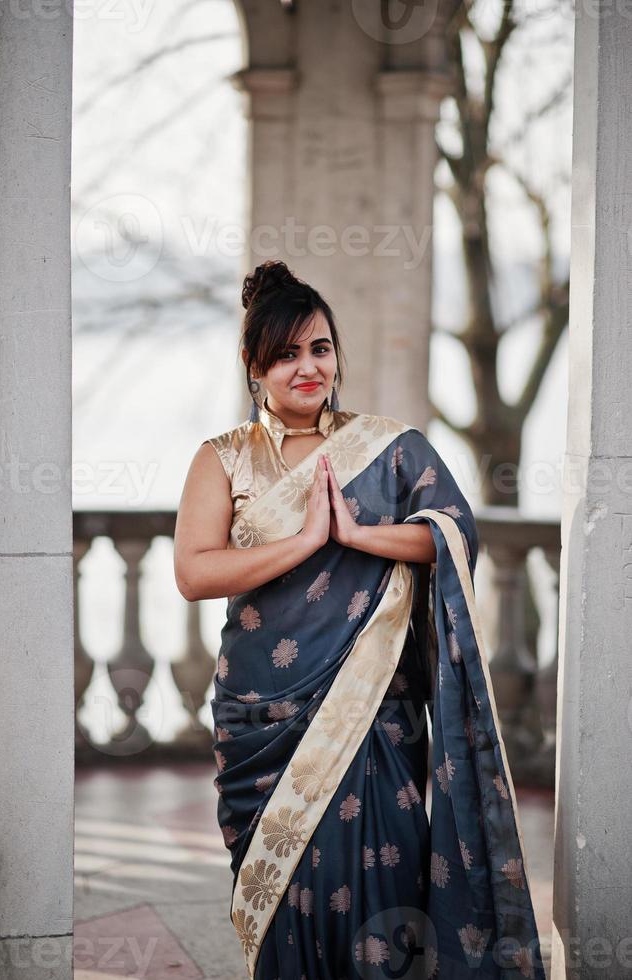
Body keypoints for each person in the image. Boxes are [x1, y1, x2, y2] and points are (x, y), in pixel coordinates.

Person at [173, 260, 546, 980]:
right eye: (286, 354)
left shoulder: (389, 446)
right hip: (265, 717)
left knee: (387, 882)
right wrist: (303, 542)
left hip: (377, 709)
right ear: (255, 367)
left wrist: (357, 534)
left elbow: (455, 533)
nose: (309, 368)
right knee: (284, 899)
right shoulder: (223, 460)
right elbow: (194, 571)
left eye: (320, 348)